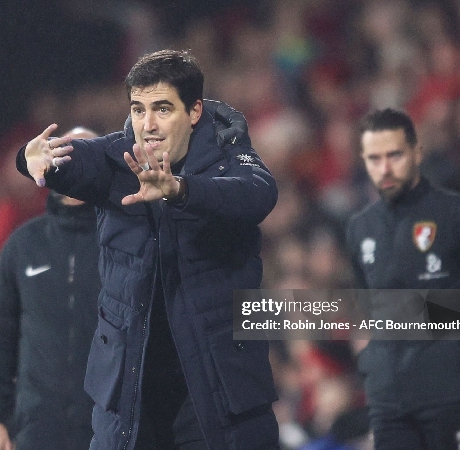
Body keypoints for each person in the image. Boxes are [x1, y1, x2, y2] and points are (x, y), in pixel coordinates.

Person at [16, 49, 280, 450]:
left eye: (161, 109)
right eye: (138, 110)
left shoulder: (230, 156)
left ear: (193, 112)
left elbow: (258, 194)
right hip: (130, 391)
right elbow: (72, 160)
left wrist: (181, 191)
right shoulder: (117, 157)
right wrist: (32, 159)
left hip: (215, 388)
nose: (147, 124)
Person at [346, 108, 460, 450]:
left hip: (451, 393)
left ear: (417, 152)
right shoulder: (360, 229)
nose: (384, 168)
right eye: (373, 159)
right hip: (389, 402)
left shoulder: (457, 216)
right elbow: (367, 309)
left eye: (394, 155)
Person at [0, 127, 102, 450]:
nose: (75, 165)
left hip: (112, 425)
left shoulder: (126, 241)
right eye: (66, 155)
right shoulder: (23, 245)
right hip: (38, 427)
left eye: (87, 156)